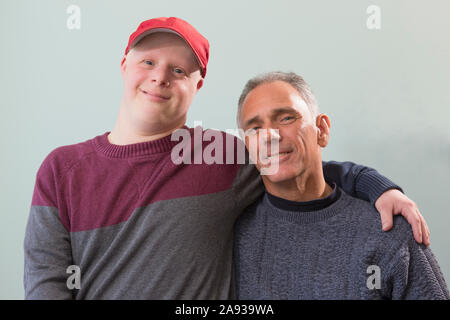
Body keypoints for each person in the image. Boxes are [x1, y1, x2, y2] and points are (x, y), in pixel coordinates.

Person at [25, 17, 429, 299]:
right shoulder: (62, 170)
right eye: (148, 61)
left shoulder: (222, 155)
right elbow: (47, 282)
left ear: (197, 86)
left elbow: (300, 161)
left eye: (179, 70)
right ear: (124, 65)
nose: (160, 76)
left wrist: (379, 187)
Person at [233, 71, 449, 299]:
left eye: (286, 118)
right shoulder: (230, 235)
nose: (269, 136)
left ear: (322, 130)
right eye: (254, 128)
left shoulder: (388, 232)